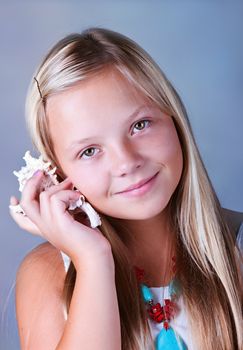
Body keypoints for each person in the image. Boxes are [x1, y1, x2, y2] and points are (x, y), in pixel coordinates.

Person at [9, 27, 243, 350]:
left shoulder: (236, 252)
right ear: (56, 173)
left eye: (139, 125)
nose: (126, 162)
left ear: (173, 118)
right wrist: (93, 260)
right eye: (89, 151)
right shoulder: (48, 276)